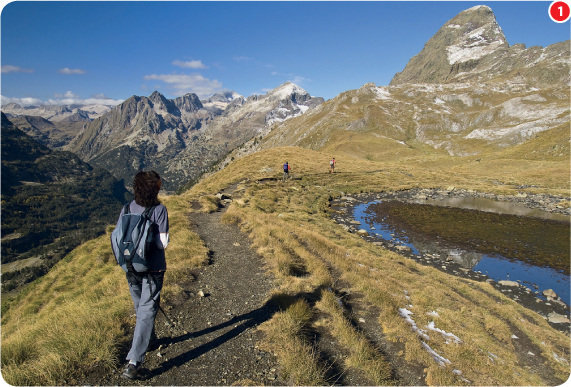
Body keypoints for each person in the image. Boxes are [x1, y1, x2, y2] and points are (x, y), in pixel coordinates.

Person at [118, 170, 169, 380]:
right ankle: (134, 363)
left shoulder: (127, 208)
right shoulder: (159, 210)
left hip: (130, 267)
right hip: (152, 268)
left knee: (140, 306)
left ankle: (149, 339)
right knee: (147, 311)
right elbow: (162, 243)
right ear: (154, 188)